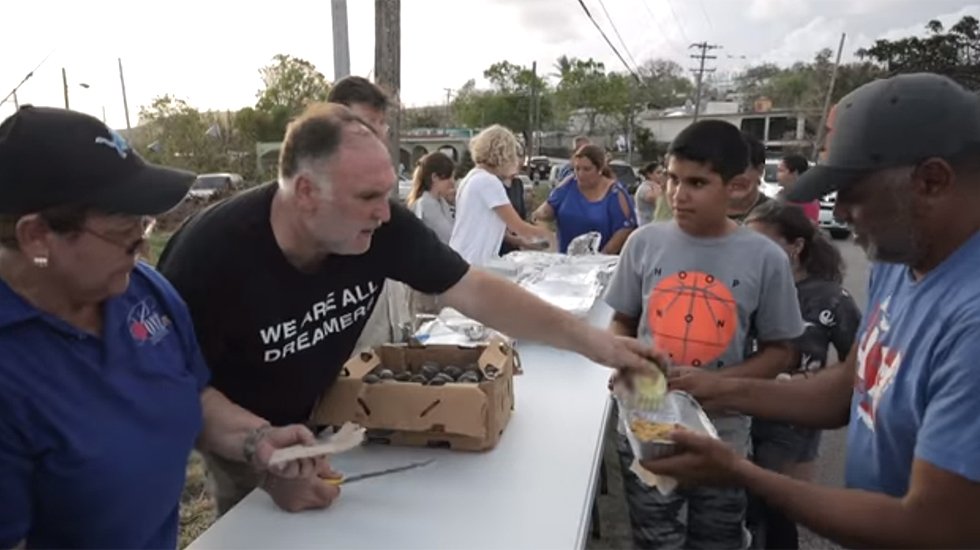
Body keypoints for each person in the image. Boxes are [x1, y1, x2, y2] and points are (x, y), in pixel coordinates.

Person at [157, 103, 661, 515]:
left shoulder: (381, 226)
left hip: (327, 417)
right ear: (306, 192)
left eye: (387, 194)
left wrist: (596, 344)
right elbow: (172, 389)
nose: (385, 213)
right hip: (241, 432)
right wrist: (264, 459)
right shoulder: (211, 256)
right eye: (368, 197)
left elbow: (475, 290)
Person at [645, 73, 980, 549]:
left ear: (932, 180)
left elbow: (932, 527)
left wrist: (739, 471)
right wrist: (713, 388)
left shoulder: (971, 324)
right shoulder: (900, 259)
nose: (837, 211)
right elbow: (849, 388)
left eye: (852, 190)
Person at [0, 107, 325, 548]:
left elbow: (189, 392)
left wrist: (259, 441)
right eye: (123, 233)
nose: (143, 248)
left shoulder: (141, 290)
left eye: (145, 225)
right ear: (37, 236)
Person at [604, 119, 804, 550]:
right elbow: (621, 321)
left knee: (717, 539)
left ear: (737, 187)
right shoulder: (643, 243)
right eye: (672, 179)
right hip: (648, 425)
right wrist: (627, 360)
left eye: (697, 182)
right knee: (656, 538)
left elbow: (781, 352)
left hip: (722, 431)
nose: (678, 194)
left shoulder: (765, 258)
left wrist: (718, 384)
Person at [743, 200, 862, 549]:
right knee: (743, 509)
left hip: (791, 426)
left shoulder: (832, 299)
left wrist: (811, 384)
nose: (751, 254)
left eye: (762, 245)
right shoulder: (745, 287)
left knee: (778, 509)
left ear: (796, 247)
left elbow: (858, 363)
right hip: (740, 412)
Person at [449, 124, 551, 265]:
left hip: (460, 257)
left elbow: (487, 225)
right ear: (504, 155)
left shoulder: (471, 177)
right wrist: (549, 235)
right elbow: (519, 227)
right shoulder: (489, 182)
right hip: (474, 261)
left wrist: (520, 241)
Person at [532, 144, 637, 254]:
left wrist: (601, 256)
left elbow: (624, 230)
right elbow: (543, 213)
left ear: (600, 169)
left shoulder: (615, 193)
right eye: (577, 169)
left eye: (587, 169)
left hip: (601, 260)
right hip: (566, 259)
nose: (580, 174)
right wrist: (545, 232)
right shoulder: (568, 185)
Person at [407, 152, 455, 244]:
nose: (452, 182)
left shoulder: (441, 202)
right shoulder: (427, 205)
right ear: (434, 177)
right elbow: (448, 235)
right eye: (448, 177)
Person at [727, 132, 770, 223]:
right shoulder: (699, 216)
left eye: (740, 167)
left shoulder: (780, 219)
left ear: (760, 170)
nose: (732, 176)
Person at [776, 154, 819, 223]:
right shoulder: (781, 194)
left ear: (794, 173)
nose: (777, 175)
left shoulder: (807, 198)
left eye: (781, 170)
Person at [499, 173, 529, 255]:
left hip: (514, 247)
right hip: (496, 245)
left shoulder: (517, 183)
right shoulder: (493, 183)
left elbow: (521, 214)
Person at [634, 161, 665, 226]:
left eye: (662, 172)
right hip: (646, 225)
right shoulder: (645, 188)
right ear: (649, 174)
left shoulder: (656, 186)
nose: (662, 175)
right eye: (658, 173)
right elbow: (658, 200)